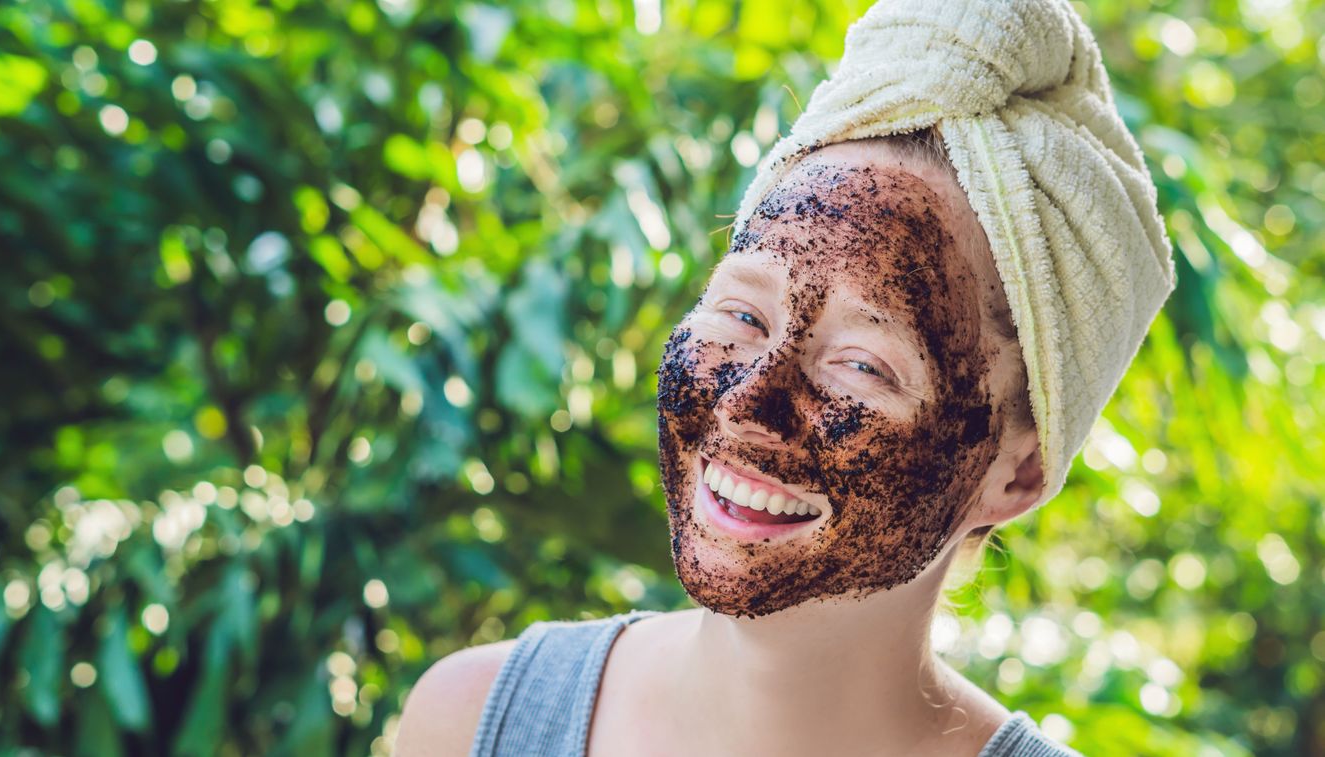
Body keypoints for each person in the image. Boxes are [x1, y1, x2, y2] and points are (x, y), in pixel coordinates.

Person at [396, 0, 1175, 754]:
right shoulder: (470, 724)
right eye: (741, 315)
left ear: (1019, 471)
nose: (748, 401)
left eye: (863, 366)